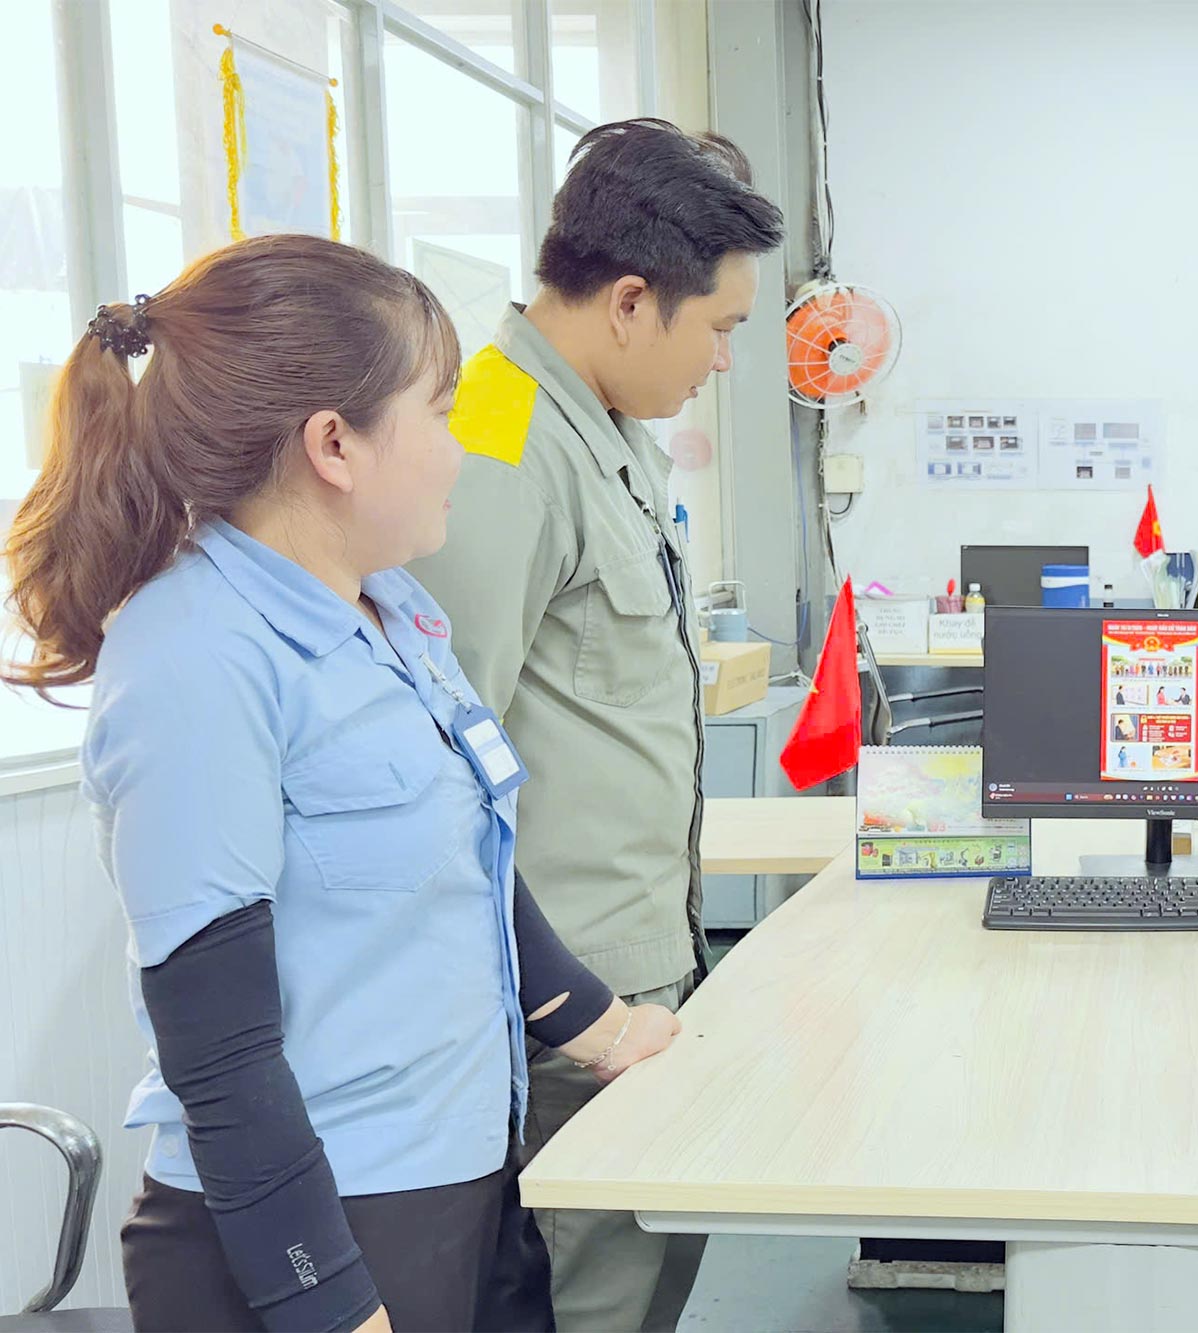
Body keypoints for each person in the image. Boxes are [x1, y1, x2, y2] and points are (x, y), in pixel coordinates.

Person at [0, 235, 682, 1332]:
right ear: (334, 445)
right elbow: (219, 1053)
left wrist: (600, 1027)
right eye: (442, 411)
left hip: (459, 1180)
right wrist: (327, 1302)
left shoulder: (394, 611)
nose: (462, 450)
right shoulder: (198, 657)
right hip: (304, 1240)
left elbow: (470, 858)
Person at [403, 118, 784, 1331]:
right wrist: (558, 1003)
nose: (724, 360)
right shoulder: (499, 437)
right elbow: (433, 761)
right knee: (587, 1302)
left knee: (642, 1281)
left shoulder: (602, 427)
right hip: (562, 1000)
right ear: (630, 301)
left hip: (631, 967)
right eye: (719, 328)